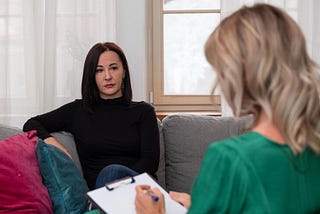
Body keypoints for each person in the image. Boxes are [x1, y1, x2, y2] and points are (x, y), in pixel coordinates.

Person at [135, 3, 320, 213]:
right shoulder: (313, 150)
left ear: (243, 72)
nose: (220, 83)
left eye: (221, 70)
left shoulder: (230, 159)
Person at [23, 42, 160, 190]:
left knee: (112, 172)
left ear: (124, 71)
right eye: (99, 71)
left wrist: (117, 185)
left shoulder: (144, 111)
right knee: (108, 175)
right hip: (101, 192)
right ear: (92, 76)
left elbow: (149, 162)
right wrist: (53, 143)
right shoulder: (78, 111)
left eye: (113, 68)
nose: (107, 76)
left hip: (140, 189)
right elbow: (31, 123)